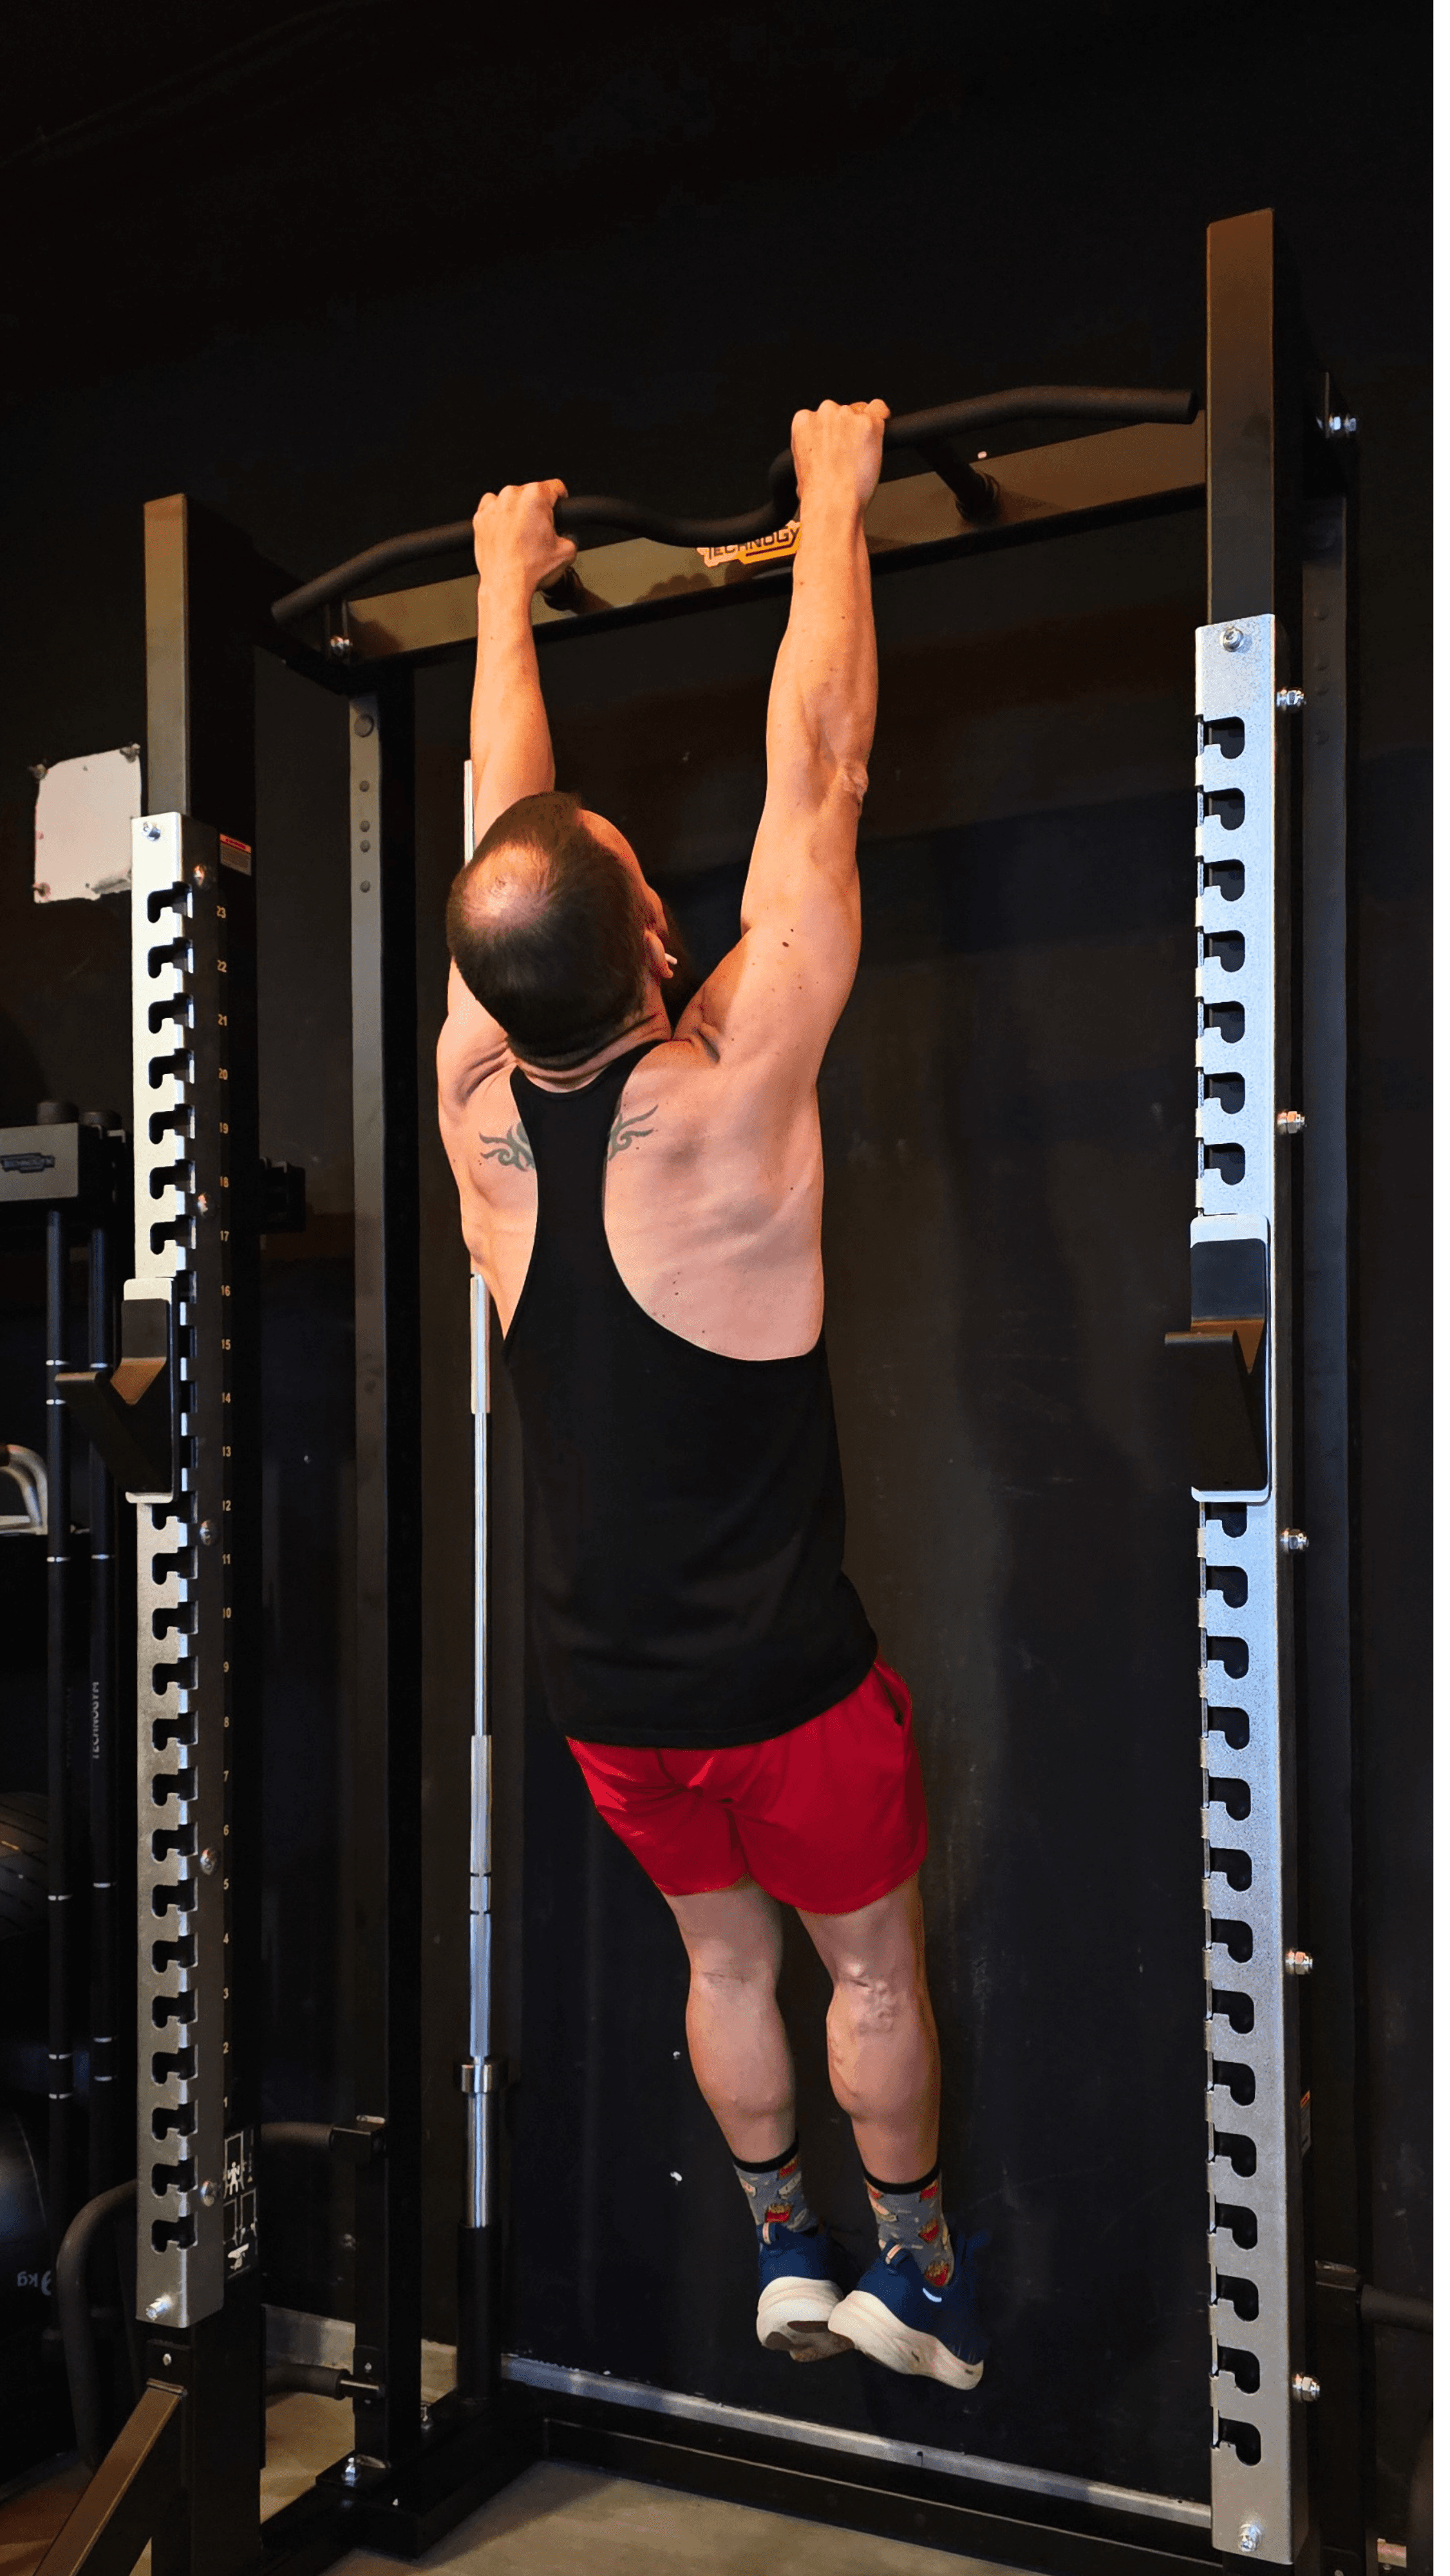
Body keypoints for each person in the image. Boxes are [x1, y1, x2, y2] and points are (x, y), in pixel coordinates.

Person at [437, 398, 983, 2389]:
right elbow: (817, 769)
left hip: (613, 1700)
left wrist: (505, 587)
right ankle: (913, 2275)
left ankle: (779, 2246)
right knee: (861, 1965)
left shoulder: (474, 1106)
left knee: (718, 1961)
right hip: (787, 1691)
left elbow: (507, 842)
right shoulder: (733, 1100)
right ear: (653, 931)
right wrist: (835, 494)